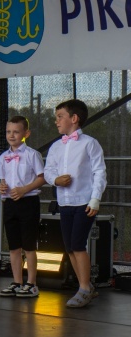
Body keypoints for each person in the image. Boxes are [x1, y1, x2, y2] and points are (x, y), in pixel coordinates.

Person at [44, 99, 106, 308]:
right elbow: (48, 170)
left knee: (78, 245)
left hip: (84, 201)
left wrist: (95, 199)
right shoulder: (55, 146)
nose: (56, 121)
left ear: (74, 118)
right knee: (70, 247)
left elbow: (99, 172)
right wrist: (55, 180)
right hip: (65, 202)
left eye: (60, 116)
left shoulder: (89, 143)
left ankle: (85, 288)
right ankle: (84, 286)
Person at [0, 116, 46, 298]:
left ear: (26, 133)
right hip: (10, 203)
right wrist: (1, 186)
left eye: (16, 132)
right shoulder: (3, 157)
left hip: (28, 202)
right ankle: (17, 282)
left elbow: (42, 178)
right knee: (14, 245)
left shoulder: (32, 155)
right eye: (8, 132)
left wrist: (25, 189)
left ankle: (32, 283)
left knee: (29, 245)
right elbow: (3, 180)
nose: (11, 135)